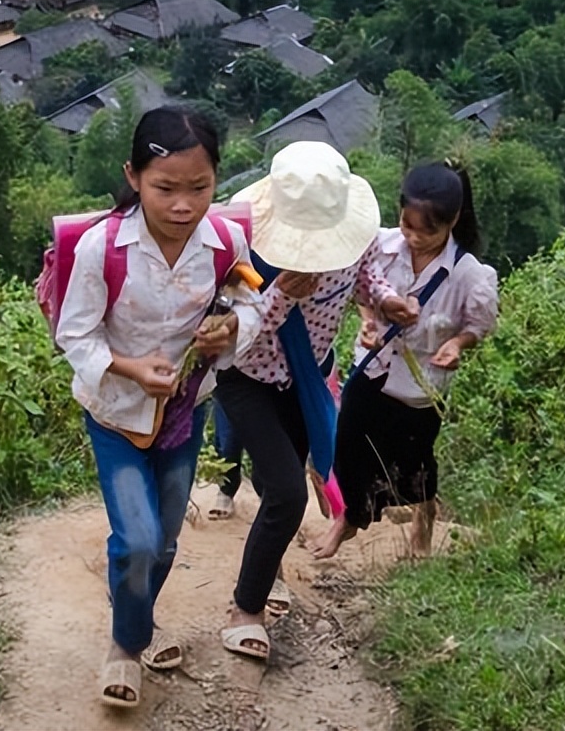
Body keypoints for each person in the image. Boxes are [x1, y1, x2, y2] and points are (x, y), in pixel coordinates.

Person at [54, 106, 252, 707]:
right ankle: (127, 643)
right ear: (134, 177)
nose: (185, 205)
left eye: (200, 187)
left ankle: (134, 607)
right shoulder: (102, 248)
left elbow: (247, 304)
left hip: (184, 413)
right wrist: (132, 368)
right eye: (166, 188)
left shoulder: (228, 242)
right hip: (115, 411)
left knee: (164, 540)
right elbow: (76, 336)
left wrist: (230, 330)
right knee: (138, 539)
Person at [214, 141, 414, 661]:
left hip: (305, 381)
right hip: (248, 378)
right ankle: (245, 609)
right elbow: (241, 333)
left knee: (270, 483)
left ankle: (269, 570)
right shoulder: (242, 250)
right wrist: (283, 292)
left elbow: (366, 275)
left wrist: (386, 299)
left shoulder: (357, 238)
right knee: (287, 493)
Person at [310, 162, 499, 560]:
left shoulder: (468, 274)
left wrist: (458, 345)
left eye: (425, 230)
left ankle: (423, 517)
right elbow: (362, 291)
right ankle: (348, 520)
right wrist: (368, 323)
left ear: (452, 222)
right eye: (406, 224)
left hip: (421, 385)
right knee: (349, 445)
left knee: (414, 460)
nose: (412, 237)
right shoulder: (380, 244)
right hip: (374, 365)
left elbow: (478, 324)